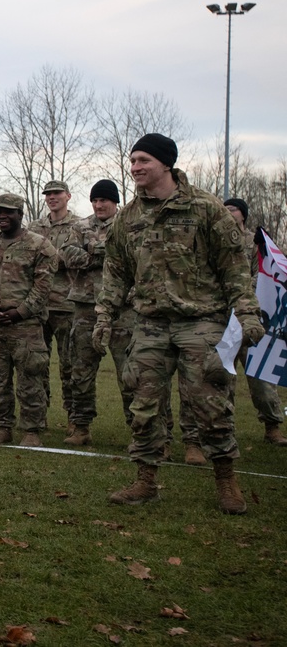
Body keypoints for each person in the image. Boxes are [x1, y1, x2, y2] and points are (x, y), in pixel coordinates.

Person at [96, 133, 263, 514]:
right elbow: (116, 272)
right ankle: (146, 480)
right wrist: (104, 316)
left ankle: (225, 479)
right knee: (142, 401)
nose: (135, 167)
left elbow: (234, 268)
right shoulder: (129, 217)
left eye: (143, 160)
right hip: (151, 323)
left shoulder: (206, 208)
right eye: (133, 160)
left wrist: (247, 314)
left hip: (200, 321)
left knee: (211, 401)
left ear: (165, 163)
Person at [0, 193, 58, 447]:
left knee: (30, 379)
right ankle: (3, 428)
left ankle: (31, 431)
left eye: (8, 212)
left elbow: (43, 287)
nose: (2, 217)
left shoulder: (40, 246)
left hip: (26, 326)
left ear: (20, 215)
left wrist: (19, 312)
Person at [58, 180, 120, 446]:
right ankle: (81, 427)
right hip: (85, 308)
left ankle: (145, 432)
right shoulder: (80, 227)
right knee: (80, 371)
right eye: (95, 200)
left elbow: (131, 258)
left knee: (132, 372)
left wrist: (90, 252)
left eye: (104, 200)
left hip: (122, 307)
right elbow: (67, 256)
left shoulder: (127, 225)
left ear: (114, 202)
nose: (99, 205)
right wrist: (101, 252)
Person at [222, 197, 286, 446]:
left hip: (250, 319)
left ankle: (272, 426)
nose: (228, 213)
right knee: (222, 377)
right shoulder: (215, 240)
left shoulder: (254, 242)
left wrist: (240, 293)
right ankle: (223, 428)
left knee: (260, 378)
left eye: (233, 209)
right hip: (222, 321)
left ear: (243, 215)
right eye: (224, 209)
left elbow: (264, 275)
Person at [31, 180, 78, 429]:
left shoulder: (79, 226)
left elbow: (76, 258)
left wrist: (50, 259)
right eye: (48, 194)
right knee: (38, 364)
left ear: (68, 196)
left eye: (57, 193)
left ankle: (73, 416)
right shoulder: (35, 227)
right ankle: (39, 416)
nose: (52, 197)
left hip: (67, 304)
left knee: (69, 365)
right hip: (39, 306)